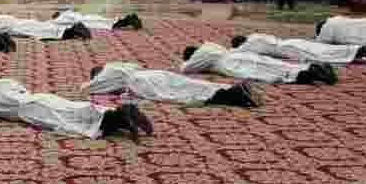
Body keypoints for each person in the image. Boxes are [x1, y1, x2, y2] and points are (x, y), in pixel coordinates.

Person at [0, 79, 153, 141]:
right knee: (75, 109)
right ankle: (121, 115)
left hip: (28, 110)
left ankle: (119, 116)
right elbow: (20, 86)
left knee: (67, 123)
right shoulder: (0, 82)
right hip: (40, 97)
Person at [85, 62, 262, 108]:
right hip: (156, 74)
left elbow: (88, 88)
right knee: (193, 84)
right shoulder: (122, 67)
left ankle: (233, 96)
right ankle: (233, 90)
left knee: (181, 94)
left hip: (143, 82)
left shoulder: (107, 76)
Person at [180, 42, 338, 85]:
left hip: (233, 64)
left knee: (267, 72)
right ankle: (311, 68)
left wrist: (185, 62)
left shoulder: (201, 54)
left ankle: (312, 74)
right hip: (241, 56)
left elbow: (186, 69)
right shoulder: (211, 46)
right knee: (273, 64)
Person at [230, 33, 366, 66]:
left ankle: (364, 50)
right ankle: (363, 51)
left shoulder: (248, 44)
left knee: (325, 55)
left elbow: (235, 54)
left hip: (289, 49)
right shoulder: (255, 35)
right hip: (291, 42)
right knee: (325, 49)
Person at [0, 14, 91, 41]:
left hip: (21, 28)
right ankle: (73, 29)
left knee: (46, 32)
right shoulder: (0, 16)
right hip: (24, 23)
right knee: (46, 27)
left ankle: (73, 31)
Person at [50, 10, 142, 30]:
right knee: (107, 22)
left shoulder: (63, 16)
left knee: (108, 24)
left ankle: (129, 20)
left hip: (87, 21)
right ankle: (129, 19)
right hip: (88, 17)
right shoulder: (67, 13)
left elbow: (62, 23)